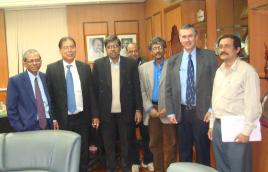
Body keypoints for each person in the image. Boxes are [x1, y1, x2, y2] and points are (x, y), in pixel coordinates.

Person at [208, 34, 262, 172]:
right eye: (220, 46)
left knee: (239, 167)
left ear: (238, 49)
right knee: (222, 166)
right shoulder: (219, 71)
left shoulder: (247, 71)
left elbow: (253, 105)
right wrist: (212, 125)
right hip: (219, 126)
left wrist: (246, 131)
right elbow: (215, 100)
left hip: (237, 127)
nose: (223, 49)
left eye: (227, 46)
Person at [166, 24, 218, 165]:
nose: (187, 39)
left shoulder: (210, 57)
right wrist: (170, 111)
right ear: (180, 39)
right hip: (181, 113)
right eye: (184, 36)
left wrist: (212, 109)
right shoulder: (172, 60)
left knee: (202, 151)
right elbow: (168, 88)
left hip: (202, 112)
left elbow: (217, 86)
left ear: (196, 37)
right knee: (184, 151)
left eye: (190, 36)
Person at [46, 36, 99, 172]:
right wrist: (54, 118)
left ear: (75, 49)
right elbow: (49, 97)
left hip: (82, 117)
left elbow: (91, 93)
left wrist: (95, 115)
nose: (69, 50)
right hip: (63, 118)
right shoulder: (52, 69)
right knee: (65, 149)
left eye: (72, 47)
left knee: (83, 150)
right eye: (66, 47)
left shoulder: (85, 68)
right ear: (60, 50)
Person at [92, 35, 142, 172]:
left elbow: (136, 88)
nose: (112, 49)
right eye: (109, 47)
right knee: (109, 147)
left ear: (120, 47)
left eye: (115, 46)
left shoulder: (130, 64)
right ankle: (111, 169)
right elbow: (94, 92)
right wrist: (95, 115)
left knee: (126, 146)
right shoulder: (98, 65)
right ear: (106, 49)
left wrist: (138, 109)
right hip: (106, 114)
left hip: (125, 113)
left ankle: (126, 169)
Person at [139, 37, 177, 172]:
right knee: (154, 143)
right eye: (154, 48)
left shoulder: (172, 65)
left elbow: (176, 88)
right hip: (152, 110)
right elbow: (142, 91)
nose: (157, 50)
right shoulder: (143, 68)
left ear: (164, 49)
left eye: (160, 47)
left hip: (169, 109)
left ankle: (170, 169)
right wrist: (149, 108)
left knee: (171, 143)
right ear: (151, 51)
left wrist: (169, 107)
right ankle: (159, 169)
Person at [6, 49, 53, 131]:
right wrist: (20, 128)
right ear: (24, 63)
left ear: (41, 61)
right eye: (31, 61)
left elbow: (52, 101)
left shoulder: (46, 77)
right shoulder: (15, 81)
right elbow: (11, 109)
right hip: (28, 127)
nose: (34, 63)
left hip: (48, 124)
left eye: (37, 60)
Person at [126, 43, 154, 172]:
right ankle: (135, 161)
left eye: (135, 50)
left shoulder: (147, 65)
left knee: (146, 135)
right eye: (130, 51)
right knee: (131, 135)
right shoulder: (124, 65)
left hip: (144, 106)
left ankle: (147, 159)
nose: (133, 53)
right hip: (129, 108)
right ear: (127, 53)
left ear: (139, 51)